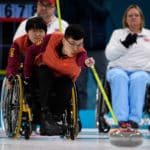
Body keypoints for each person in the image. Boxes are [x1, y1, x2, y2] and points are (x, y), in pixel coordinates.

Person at [23, 23, 95, 135]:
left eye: (79, 44)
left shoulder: (80, 53)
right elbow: (31, 51)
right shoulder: (50, 39)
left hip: (60, 80)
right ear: (64, 40)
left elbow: (82, 59)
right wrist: (27, 75)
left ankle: (55, 118)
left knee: (67, 83)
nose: (76, 48)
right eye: (72, 44)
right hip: (42, 76)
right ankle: (44, 113)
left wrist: (86, 63)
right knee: (44, 71)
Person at [105, 4, 150, 129]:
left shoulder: (149, 35)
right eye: (130, 16)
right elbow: (109, 55)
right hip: (118, 69)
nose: (133, 18)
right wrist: (124, 45)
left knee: (138, 78)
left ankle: (134, 120)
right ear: (125, 19)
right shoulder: (118, 34)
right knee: (120, 77)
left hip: (142, 71)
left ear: (141, 18)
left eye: (136, 15)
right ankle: (122, 120)